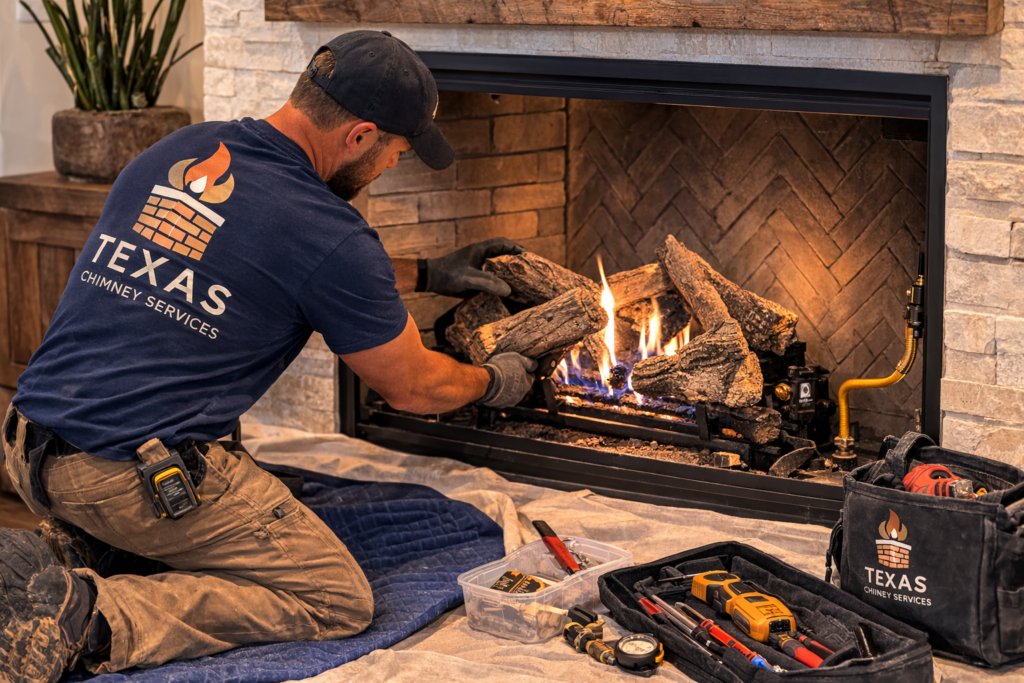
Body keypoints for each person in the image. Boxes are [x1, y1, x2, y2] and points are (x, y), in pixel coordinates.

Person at [0, 30, 537, 683]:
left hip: (29, 444)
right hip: (126, 475)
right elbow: (415, 387)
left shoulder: (184, 148)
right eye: (397, 150)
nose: (395, 165)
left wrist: (426, 270)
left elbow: (266, 260)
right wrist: (492, 381)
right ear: (361, 136)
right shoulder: (330, 232)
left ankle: (81, 545)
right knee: (337, 598)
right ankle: (86, 614)